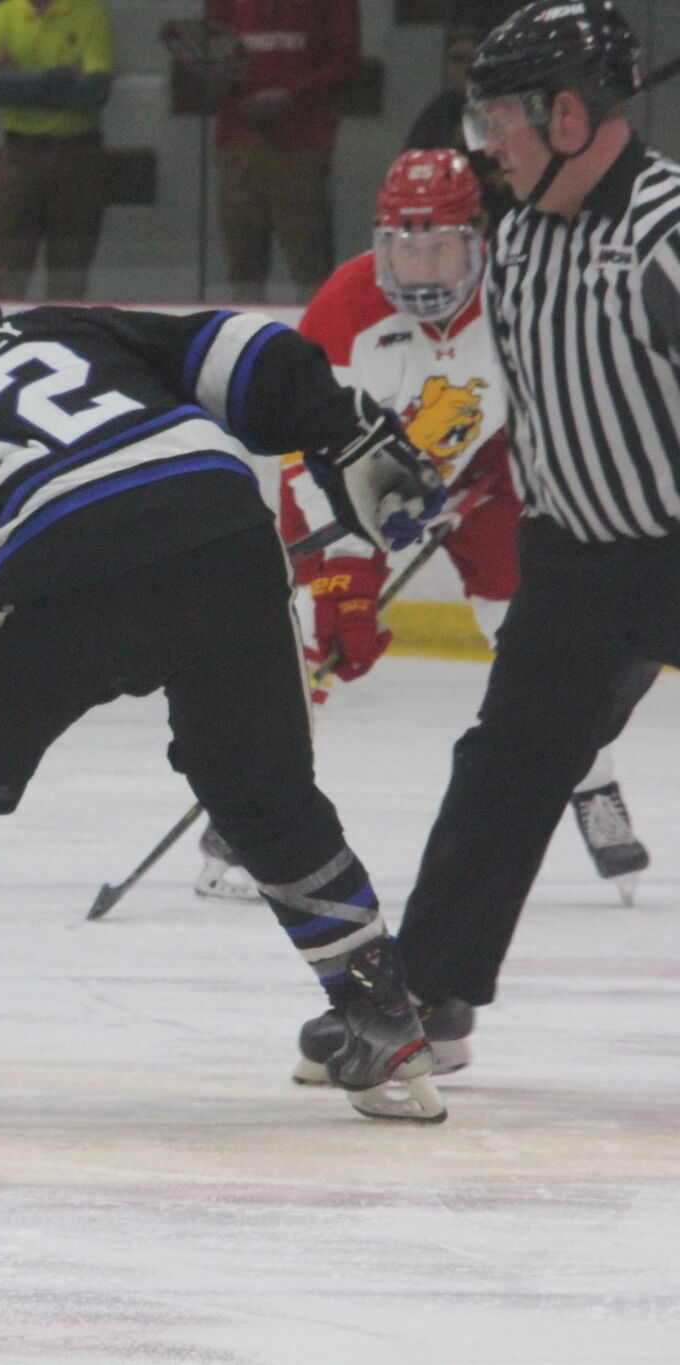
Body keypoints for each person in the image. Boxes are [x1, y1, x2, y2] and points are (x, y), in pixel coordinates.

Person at [0, 275, 451, 1129]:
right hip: (223, 525)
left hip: (51, 563)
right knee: (266, 796)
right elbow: (244, 351)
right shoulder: (66, 326)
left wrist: (17, 707)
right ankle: (383, 1016)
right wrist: (346, 429)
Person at [333, 0, 677, 1077]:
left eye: (496, 123)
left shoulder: (664, 232)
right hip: (573, 559)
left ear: (568, 116)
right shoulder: (518, 234)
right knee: (504, 768)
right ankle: (423, 995)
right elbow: (512, 392)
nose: (481, 147)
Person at [194, 148, 650, 909]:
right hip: (357, 483)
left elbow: (563, 396)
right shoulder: (345, 309)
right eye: (403, 245)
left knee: (539, 629)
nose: (419, 265)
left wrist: (512, 473)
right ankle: (248, 821)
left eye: (437, 243)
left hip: (484, 479)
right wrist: (346, 572)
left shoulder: (523, 288)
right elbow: (313, 449)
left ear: (478, 236)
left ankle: (591, 777)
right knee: (308, 633)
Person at [190, 0, 361, 300]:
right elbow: (213, 48)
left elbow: (345, 60)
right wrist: (215, 80)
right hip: (239, 141)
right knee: (243, 269)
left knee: (310, 267)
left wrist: (292, 95)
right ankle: (244, 343)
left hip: (303, 143)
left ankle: (316, 343)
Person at [0, 0, 115, 302]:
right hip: (19, 153)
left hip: (78, 154)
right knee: (5, 269)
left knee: (71, 271)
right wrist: (59, 78)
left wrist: (22, 84)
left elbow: (95, 91)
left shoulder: (89, 12)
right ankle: (5, 343)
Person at [404, 24, 517, 224]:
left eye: (474, 59)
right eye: (458, 60)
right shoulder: (436, 116)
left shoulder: (511, 110)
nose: (467, 68)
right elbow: (412, 176)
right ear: (446, 66)